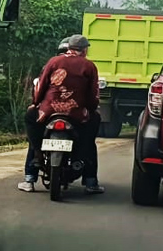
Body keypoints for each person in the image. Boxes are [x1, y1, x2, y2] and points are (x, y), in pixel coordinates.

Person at [18, 35, 104, 194]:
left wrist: (35, 103)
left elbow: (41, 86)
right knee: (90, 141)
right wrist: (92, 109)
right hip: (76, 112)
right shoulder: (89, 66)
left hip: (48, 110)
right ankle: (91, 182)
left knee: (32, 125)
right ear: (85, 50)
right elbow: (93, 94)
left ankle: (30, 177)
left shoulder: (53, 61)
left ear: (68, 47)